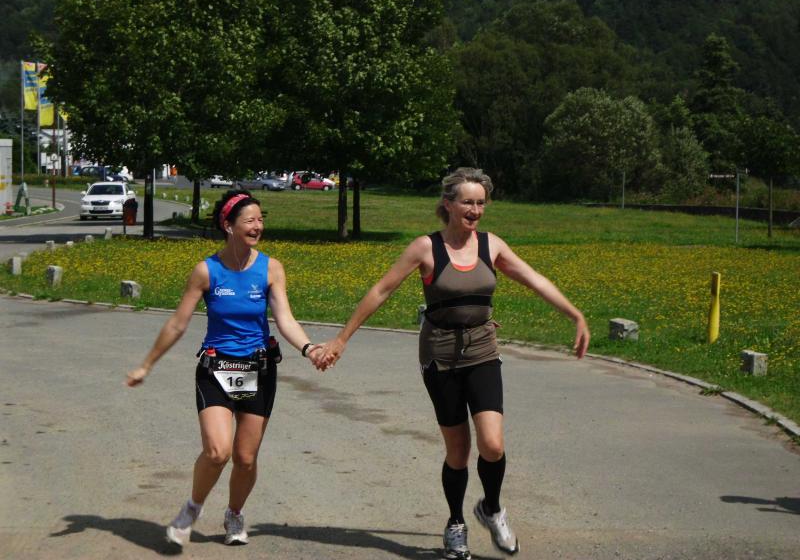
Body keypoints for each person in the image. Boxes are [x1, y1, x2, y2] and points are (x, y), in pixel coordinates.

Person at [319, 167, 590, 559]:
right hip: (440, 356)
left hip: (482, 350)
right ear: (448, 204)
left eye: (481, 203)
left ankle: (491, 508)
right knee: (458, 451)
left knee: (492, 444)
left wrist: (575, 315)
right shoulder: (426, 248)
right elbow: (381, 291)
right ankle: (455, 523)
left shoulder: (491, 245)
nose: (475, 210)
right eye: (467, 202)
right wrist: (341, 339)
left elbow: (535, 279)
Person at [126, 189, 326, 547]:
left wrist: (309, 348)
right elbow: (177, 324)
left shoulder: (271, 268)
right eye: (250, 220)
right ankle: (192, 508)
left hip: (258, 370)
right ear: (229, 226)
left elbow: (285, 319)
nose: (258, 226)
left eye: (260, 219)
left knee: (245, 459)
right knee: (218, 451)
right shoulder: (207, 271)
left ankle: (235, 513)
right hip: (216, 367)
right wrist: (146, 365)